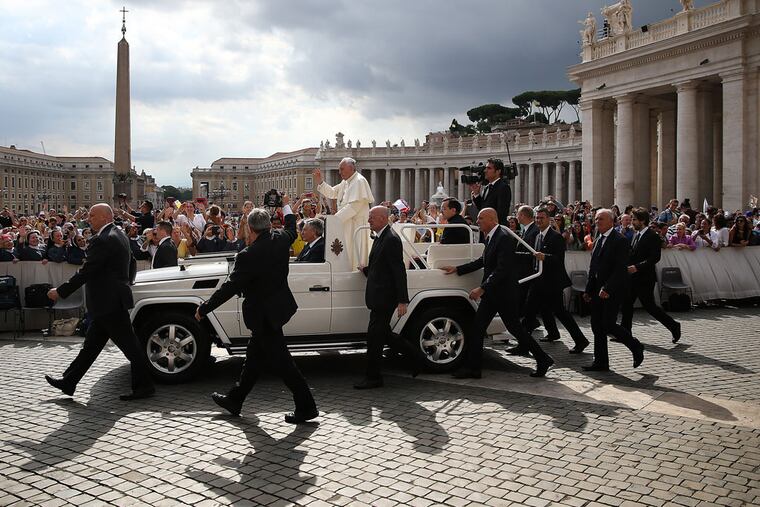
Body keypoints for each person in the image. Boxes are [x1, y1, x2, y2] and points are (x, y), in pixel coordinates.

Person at [196, 199, 318, 424]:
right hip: (276, 310)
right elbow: (291, 227)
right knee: (253, 359)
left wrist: (205, 308)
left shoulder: (248, 255)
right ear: (269, 226)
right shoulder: (281, 239)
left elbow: (231, 287)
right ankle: (236, 399)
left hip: (263, 316)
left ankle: (307, 406)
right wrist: (286, 206)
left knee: (284, 363)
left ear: (250, 228)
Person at [44, 203, 155, 400]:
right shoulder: (119, 234)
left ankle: (144, 387)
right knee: (91, 347)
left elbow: (87, 271)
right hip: (111, 300)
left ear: (104, 217)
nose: (89, 219)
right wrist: (125, 283)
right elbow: (132, 262)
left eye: (93, 216)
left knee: (131, 347)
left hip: (108, 302)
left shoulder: (103, 239)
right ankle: (69, 381)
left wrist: (61, 292)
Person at [442, 208, 554, 378]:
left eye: (480, 218)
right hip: (494, 293)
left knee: (514, 329)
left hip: (503, 294)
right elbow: (483, 261)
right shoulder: (492, 236)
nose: (477, 221)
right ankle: (474, 368)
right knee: (479, 328)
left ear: (492, 219)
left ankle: (543, 358)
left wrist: (482, 288)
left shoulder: (503, 238)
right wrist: (458, 269)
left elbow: (502, 269)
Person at [355, 206, 418, 388]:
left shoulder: (391, 239)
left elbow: (398, 271)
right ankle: (416, 358)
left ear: (382, 218)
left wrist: (402, 300)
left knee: (374, 338)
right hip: (378, 296)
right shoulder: (381, 237)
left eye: (371, 218)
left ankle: (373, 377)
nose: (368, 221)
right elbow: (380, 266)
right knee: (383, 335)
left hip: (385, 298)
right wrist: (366, 270)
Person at [583, 209, 645, 372]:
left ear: (611, 221)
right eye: (596, 219)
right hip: (597, 289)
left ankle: (635, 346)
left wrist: (607, 288)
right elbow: (593, 266)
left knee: (609, 324)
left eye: (601, 219)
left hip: (613, 289)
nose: (597, 222)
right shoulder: (598, 239)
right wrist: (588, 289)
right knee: (596, 325)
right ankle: (601, 362)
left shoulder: (620, 240)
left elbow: (619, 269)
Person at [522, 208, 590, 353]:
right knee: (532, 310)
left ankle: (580, 340)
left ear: (548, 219)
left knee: (560, 312)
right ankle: (540, 338)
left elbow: (558, 259)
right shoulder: (537, 236)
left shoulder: (555, 237)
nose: (539, 221)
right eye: (537, 218)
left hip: (552, 282)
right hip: (538, 281)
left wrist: (545, 257)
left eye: (542, 218)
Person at [621, 207, 682, 344]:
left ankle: (673, 325)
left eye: (634, 219)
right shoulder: (636, 235)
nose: (632, 222)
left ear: (642, 221)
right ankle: (625, 334)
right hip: (632, 277)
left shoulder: (652, 236)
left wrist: (637, 267)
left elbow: (654, 258)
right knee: (626, 304)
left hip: (645, 278)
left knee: (649, 307)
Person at [314, 157, 374, 269]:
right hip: (345, 223)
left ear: (351, 168)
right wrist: (321, 182)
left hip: (355, 226)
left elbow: (353, 207)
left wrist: (334, 220)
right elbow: (332, 193)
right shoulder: (345, 182)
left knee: (353, 255)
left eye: (342, 169)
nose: (339, 172)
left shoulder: (359, 181)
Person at [470, 158, 511, 225]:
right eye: (486, 168)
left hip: (495, 228)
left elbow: (501, 213)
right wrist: (476, 194)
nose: (485, 171)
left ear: (498, 171)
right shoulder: (486, 188)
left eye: (489, 168)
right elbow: (482, 207)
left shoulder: (503, 187)